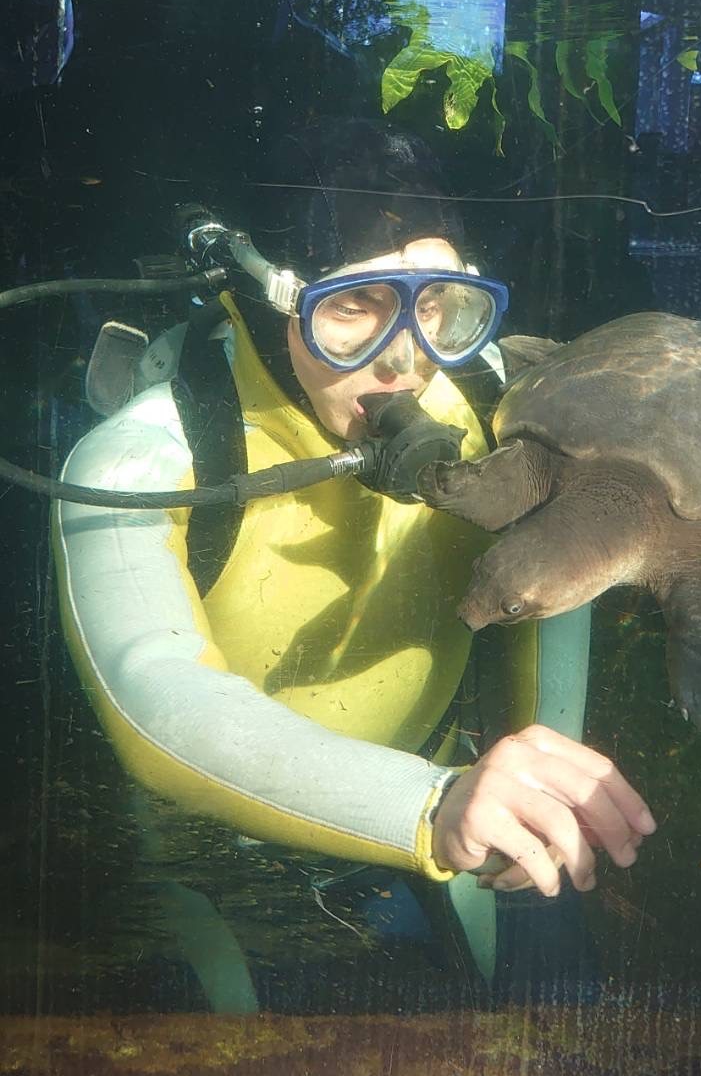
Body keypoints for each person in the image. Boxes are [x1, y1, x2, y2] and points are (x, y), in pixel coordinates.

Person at [53, 120, 655, 1010]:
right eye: (352, 308)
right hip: (210, 858)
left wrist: (533, 785)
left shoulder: (491, 401)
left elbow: (560, 567)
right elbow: (157, 692)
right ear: (264, 300)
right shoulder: (139, 462)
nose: (406, 361)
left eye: (436, 306)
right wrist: (431, 806)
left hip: (451, 810)